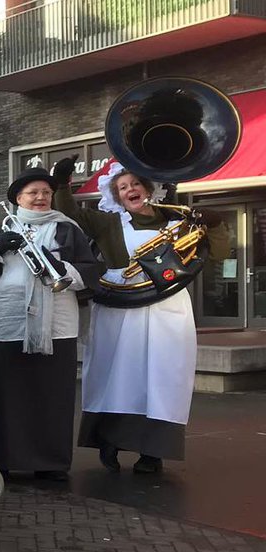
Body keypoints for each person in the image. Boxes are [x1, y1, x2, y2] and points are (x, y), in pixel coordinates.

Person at [52, 157, 230, 474]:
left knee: (162, 379)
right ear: (116, 196)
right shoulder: (108, 224)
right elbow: (70, 216)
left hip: (167, 311)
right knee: (115, 376)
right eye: (122, 187)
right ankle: (109, 439)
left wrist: (215, 225)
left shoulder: (181, 224)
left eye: (135, 183)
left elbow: (217, 255)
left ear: (148, 188)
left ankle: (153, 452)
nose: (130, 189)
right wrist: (63, 184)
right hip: (117, 312)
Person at [0, 169, 104, 481]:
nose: (41, 198)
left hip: (55, 327)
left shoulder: (67, 230)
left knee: (52, 395)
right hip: (7, 324)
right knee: (7, 395)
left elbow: (90, 272)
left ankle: (50, 463)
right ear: (17, 198)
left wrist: (60, 267)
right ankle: (5, 458)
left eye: (46, 193)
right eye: (33, 193)